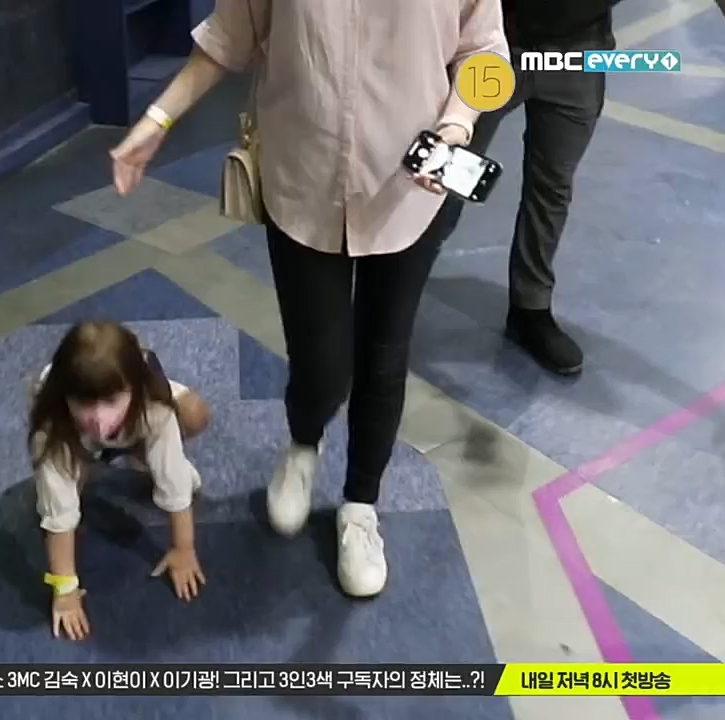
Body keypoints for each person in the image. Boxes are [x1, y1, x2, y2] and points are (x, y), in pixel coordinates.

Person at [110, 1, 507, 598]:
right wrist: (157, 120)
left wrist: (457, 126)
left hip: (408, 193)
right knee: (319, 363)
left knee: (384, 357)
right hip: (301, 182)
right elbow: (227, 38)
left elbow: (487, 54)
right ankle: (303, 442)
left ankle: (360, 506)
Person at [429, 0, 625, 376]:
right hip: (497, 42)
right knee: (447, 178)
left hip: (579, 51)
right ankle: (392, 296)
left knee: (553, 187)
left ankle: (530, 306)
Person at [29, 321, 211, 640]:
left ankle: (138, 454)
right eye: (85, 403)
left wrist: (183, 548)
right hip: (75, 435)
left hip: (137, 418)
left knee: (192, 418)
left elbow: (173, 479)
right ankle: (93, 457)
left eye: (110, 401)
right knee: (64, 496)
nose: (98, 419)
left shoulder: (154, 403)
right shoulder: (52, 420)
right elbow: (58, 515)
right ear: (65, 396)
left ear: (134, 389)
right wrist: (65, 589)